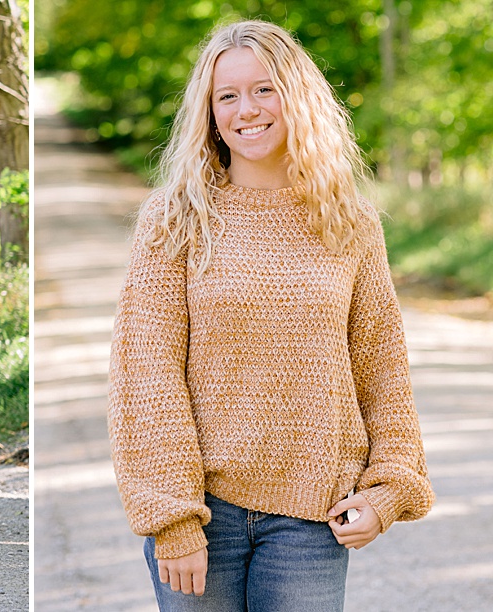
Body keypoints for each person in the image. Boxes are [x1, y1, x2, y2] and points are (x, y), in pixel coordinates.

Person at [107, 20, 433, 610]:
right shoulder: (172, 220)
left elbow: (382, 367)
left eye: (264, 89)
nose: (245, 109)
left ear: (297, 96)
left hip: (313, 516)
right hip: (203, 515)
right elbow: (146, 374)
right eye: (226, 95)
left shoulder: (350, 222)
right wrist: (172, 515)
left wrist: (388, 489)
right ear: (209, 112)